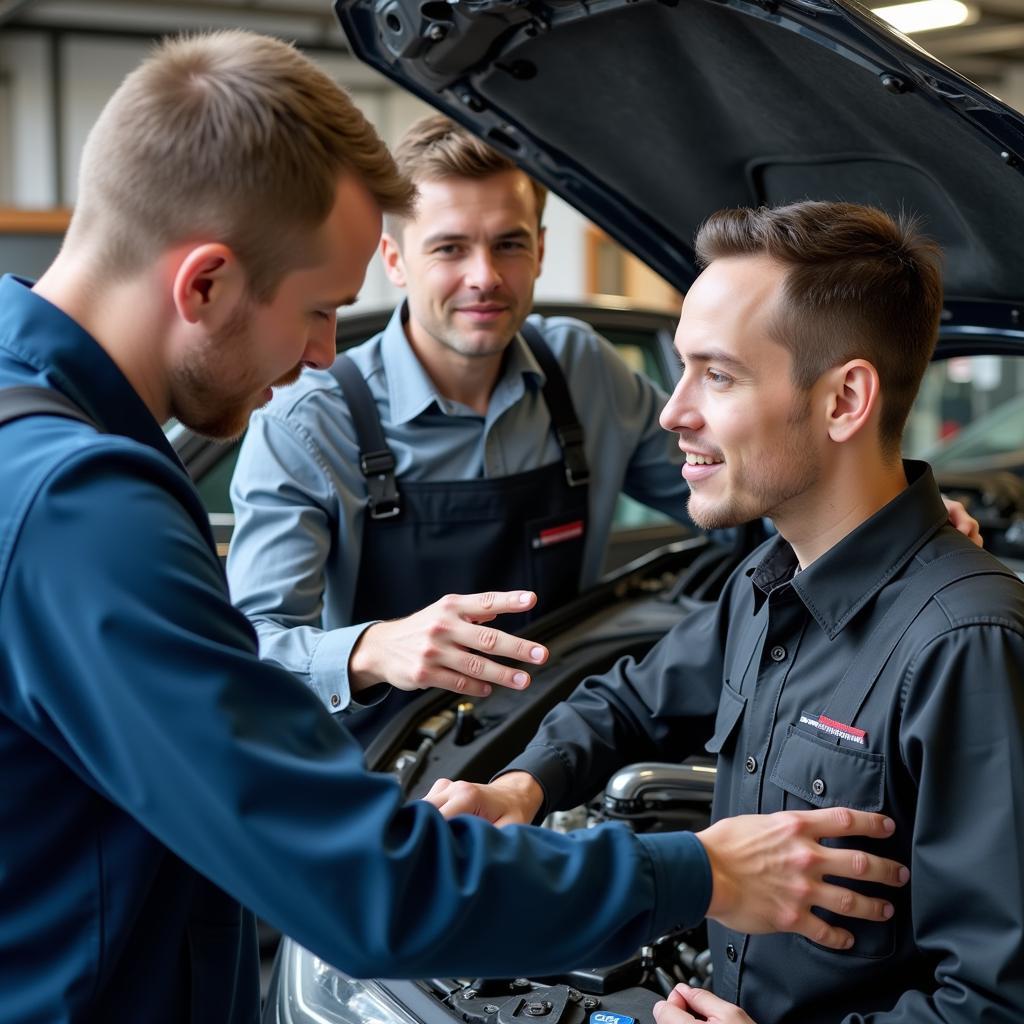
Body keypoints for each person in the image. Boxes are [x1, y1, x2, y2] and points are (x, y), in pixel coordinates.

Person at [0, 36, 913, 1024]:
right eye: (321, 311)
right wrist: (698, 871)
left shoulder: (35, 434)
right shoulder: (82, 513)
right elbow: (368, 888)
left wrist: (877, 519)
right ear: (206, 283)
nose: (318, 355)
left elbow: (728, 499)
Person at [424, 202, 1024, 1022]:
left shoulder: (967, 646)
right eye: (681, 369)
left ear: (846, 399)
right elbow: (630, 699)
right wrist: (524, 786)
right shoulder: (764, 583)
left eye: (719, 374)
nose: (672, 412)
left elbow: (995, 1003)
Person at [226, 115, 978, 746]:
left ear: (541, 251)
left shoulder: (578, 370)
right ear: (394, 259)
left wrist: (876, 529)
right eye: (450, 248)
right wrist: (371, 647)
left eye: (510, 243)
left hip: (548, 742)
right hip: (382, 771)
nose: (484, 275)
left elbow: (733, 495)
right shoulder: (308, 420)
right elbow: (242, 652)